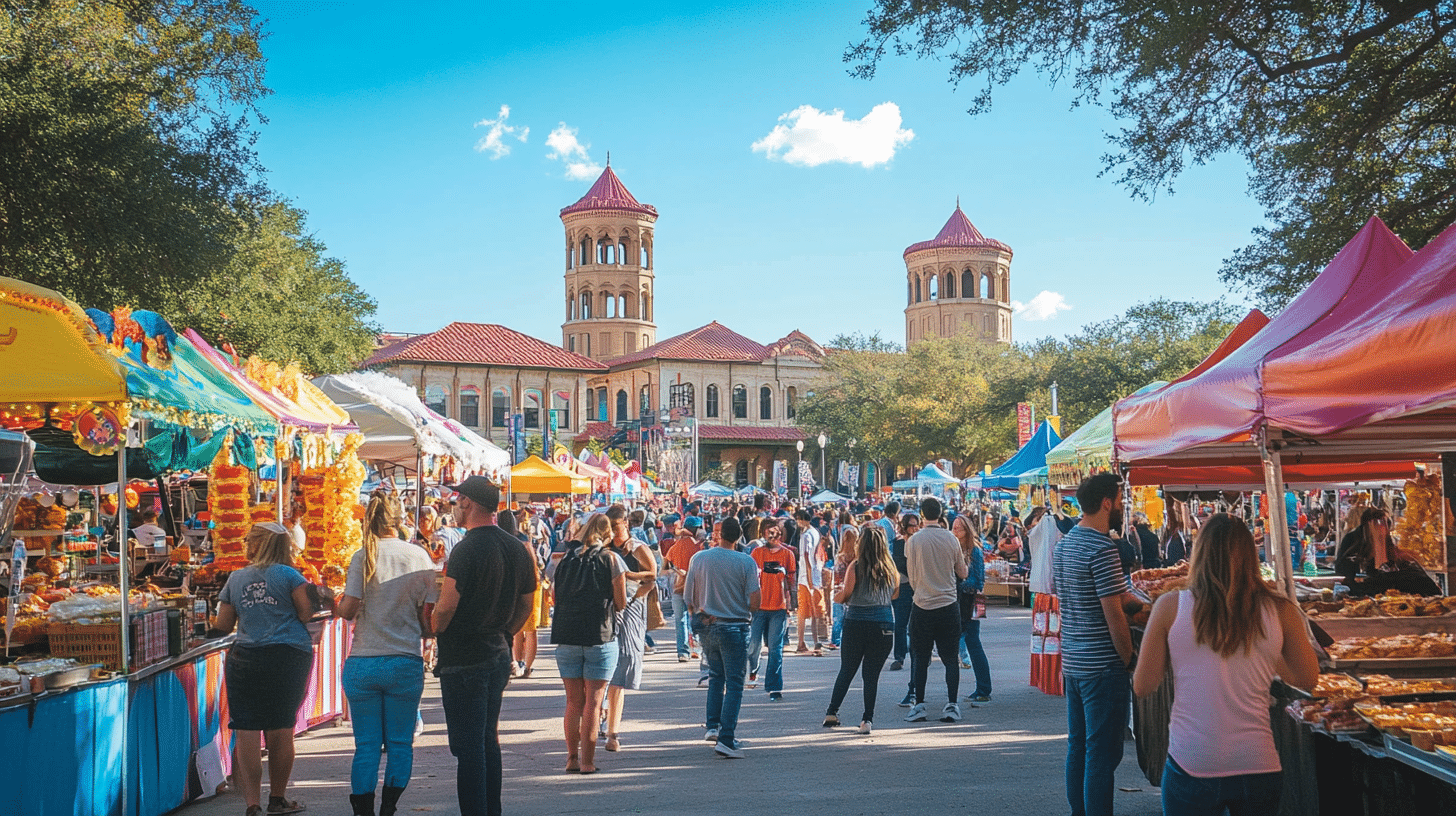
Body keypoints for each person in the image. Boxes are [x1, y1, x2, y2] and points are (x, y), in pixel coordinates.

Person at [1134, 514, 1319, 816]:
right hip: (1257, 762)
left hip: (1192, 760)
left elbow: (1144, 685)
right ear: (1250, 555)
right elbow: (1308, 679)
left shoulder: (1169, 607)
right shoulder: (1281, 609)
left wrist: (1180, 656)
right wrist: (1267, 661)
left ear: (1200, 553)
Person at [431, 477, 537, 816]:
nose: (454, 507)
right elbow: (526, 603)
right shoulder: (516, 547)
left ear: (468, 503)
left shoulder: (467, 549)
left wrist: (434, 628)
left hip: (464, 656)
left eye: (457, 500)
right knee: (487, 739)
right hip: (496, 652)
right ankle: (492, 809)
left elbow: (447, 605)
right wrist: (507, 632)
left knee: (468, 746)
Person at [337, 494, 439, 816]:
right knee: (399, 744)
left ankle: (362, 810)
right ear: (400, 520)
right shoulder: (419, 556)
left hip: (363, 661)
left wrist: (331, 602)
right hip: (404, 661)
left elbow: (348, 609)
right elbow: (428, 617)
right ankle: (389, 807)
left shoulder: (361, 556)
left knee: (366, 746)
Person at [1053, 473, 1141, 816]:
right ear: (1106, 502)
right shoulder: (1102, 549)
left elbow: (1108, 597)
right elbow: (1114, 615)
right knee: (1103, 754)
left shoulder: (1065, 545)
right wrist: (1128, 657)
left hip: (1074, 661)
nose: (1121, 506)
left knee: (1080, 748)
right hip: (1103, 666)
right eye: (1119, 500)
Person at [213, 523, 316, 816]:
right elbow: (306, 614)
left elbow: (222, 625)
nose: (245, 542)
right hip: (287, 655)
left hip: (246, 657)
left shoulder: (235, 578)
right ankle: (278, 798)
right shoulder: (290, 575)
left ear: (260, 544)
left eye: (249, 539)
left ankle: (252, 804)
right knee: (281, 727)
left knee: (246, 728)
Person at [551, 514, 628, 774]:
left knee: (573, 702)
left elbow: (555, 596)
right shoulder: (611, 559)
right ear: (607, 534)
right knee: (593, 703)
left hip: (567, 635)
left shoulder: (566, 560)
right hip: (600, 636)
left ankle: (572, 758)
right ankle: (587, 762)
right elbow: (620, 602)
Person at [683, 515, 761, 758]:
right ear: (738, 537)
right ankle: (726, 738)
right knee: (735, 683)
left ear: (719, 534)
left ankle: (712, 726)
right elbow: (755, 602)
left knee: (716, 676)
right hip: (734, 626)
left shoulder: (699, 559)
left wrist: (703, 612)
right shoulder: (746, 562)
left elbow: (688, 597)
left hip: (707, 625)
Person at [823, 525, 898, 734]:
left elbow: (846, 594)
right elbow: (895, 594)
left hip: (856, 621)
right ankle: (867, 719)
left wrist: (835, 596)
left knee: (847, 669)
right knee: (871, 675)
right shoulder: (890, 567)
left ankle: (832, 711)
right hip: (883, 623)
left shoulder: (856, 566)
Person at [903, 497, 968, 724]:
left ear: (922, 514)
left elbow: (911, 576)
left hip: (922, 604)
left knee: (920, 658)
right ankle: (951, 704)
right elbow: (962, 572)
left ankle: (919, 704)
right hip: (948, 604)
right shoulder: (950, 538)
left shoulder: (914, 541)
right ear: (941, 515)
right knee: (950, 657)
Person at [602, 504, 658, 751]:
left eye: (616, 526)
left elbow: (652, 576)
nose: (613, 531)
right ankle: (603, 720)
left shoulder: (637, 547)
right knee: (603, 668)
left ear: (626, 523)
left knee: (623, 665)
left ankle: (612, 731)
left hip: (632, 607)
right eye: (609, 527)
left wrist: (627, 578)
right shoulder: (603, 548)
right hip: (607, 610)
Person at [1334, 506, 1441, 597]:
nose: (1382, 528)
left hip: (1391, 595)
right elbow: (1343, 572)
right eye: (1377, 524)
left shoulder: (1395, 552)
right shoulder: (1354, 543)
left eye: (1384, 524)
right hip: (1365, 595)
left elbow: (1428, 588)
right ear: (1367, 526)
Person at [748, 518, 796, 700]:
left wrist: (793, 604)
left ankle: (774, 686)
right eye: (769, 532)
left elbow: (792, 580)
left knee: (775, 649)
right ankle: (752, 670)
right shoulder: (756, 553)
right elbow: (749, 578)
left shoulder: (787, 555)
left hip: (779, 607)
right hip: (758, 607)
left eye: (775, 532)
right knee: (753, 646)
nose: (772, 535)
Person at [953, 508, 992, 704]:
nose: (954, 531)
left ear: (967, 530)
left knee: (973, 643)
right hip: (954, 603)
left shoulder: (974, 550)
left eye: (958, 529)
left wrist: (959, 584)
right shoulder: (952, 549)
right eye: (953, 528)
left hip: (969, 603)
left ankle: (984, 687)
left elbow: (978, 580)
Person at [666, 518, 705, 661]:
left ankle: (683, 652)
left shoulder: (675, 546)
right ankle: (696, 648)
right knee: (697, 618)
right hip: (696, 589)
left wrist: (676, 570)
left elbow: (666, 566)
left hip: (678, 588)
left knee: (680, 620)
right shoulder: (699, 548)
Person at [890, 512, 919, 675]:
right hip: (904, 586)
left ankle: (920, 654)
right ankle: (899, 657)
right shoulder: (898, 543)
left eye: (916, 525)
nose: (914, 528)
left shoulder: (921, 542)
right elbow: (899, 563)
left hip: (919, 586)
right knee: (900, 623)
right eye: (911, 525)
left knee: (917, 624)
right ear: (905, 527)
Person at [794, 509, 826, 655]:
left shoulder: (805, 535)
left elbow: (806, 557)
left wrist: (808, 577)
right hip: (816, 575)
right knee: (815, 612)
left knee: (802, 611)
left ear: (801, 519)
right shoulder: (815, 532)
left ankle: (801, 642)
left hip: (806, 578)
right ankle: (816, 641)